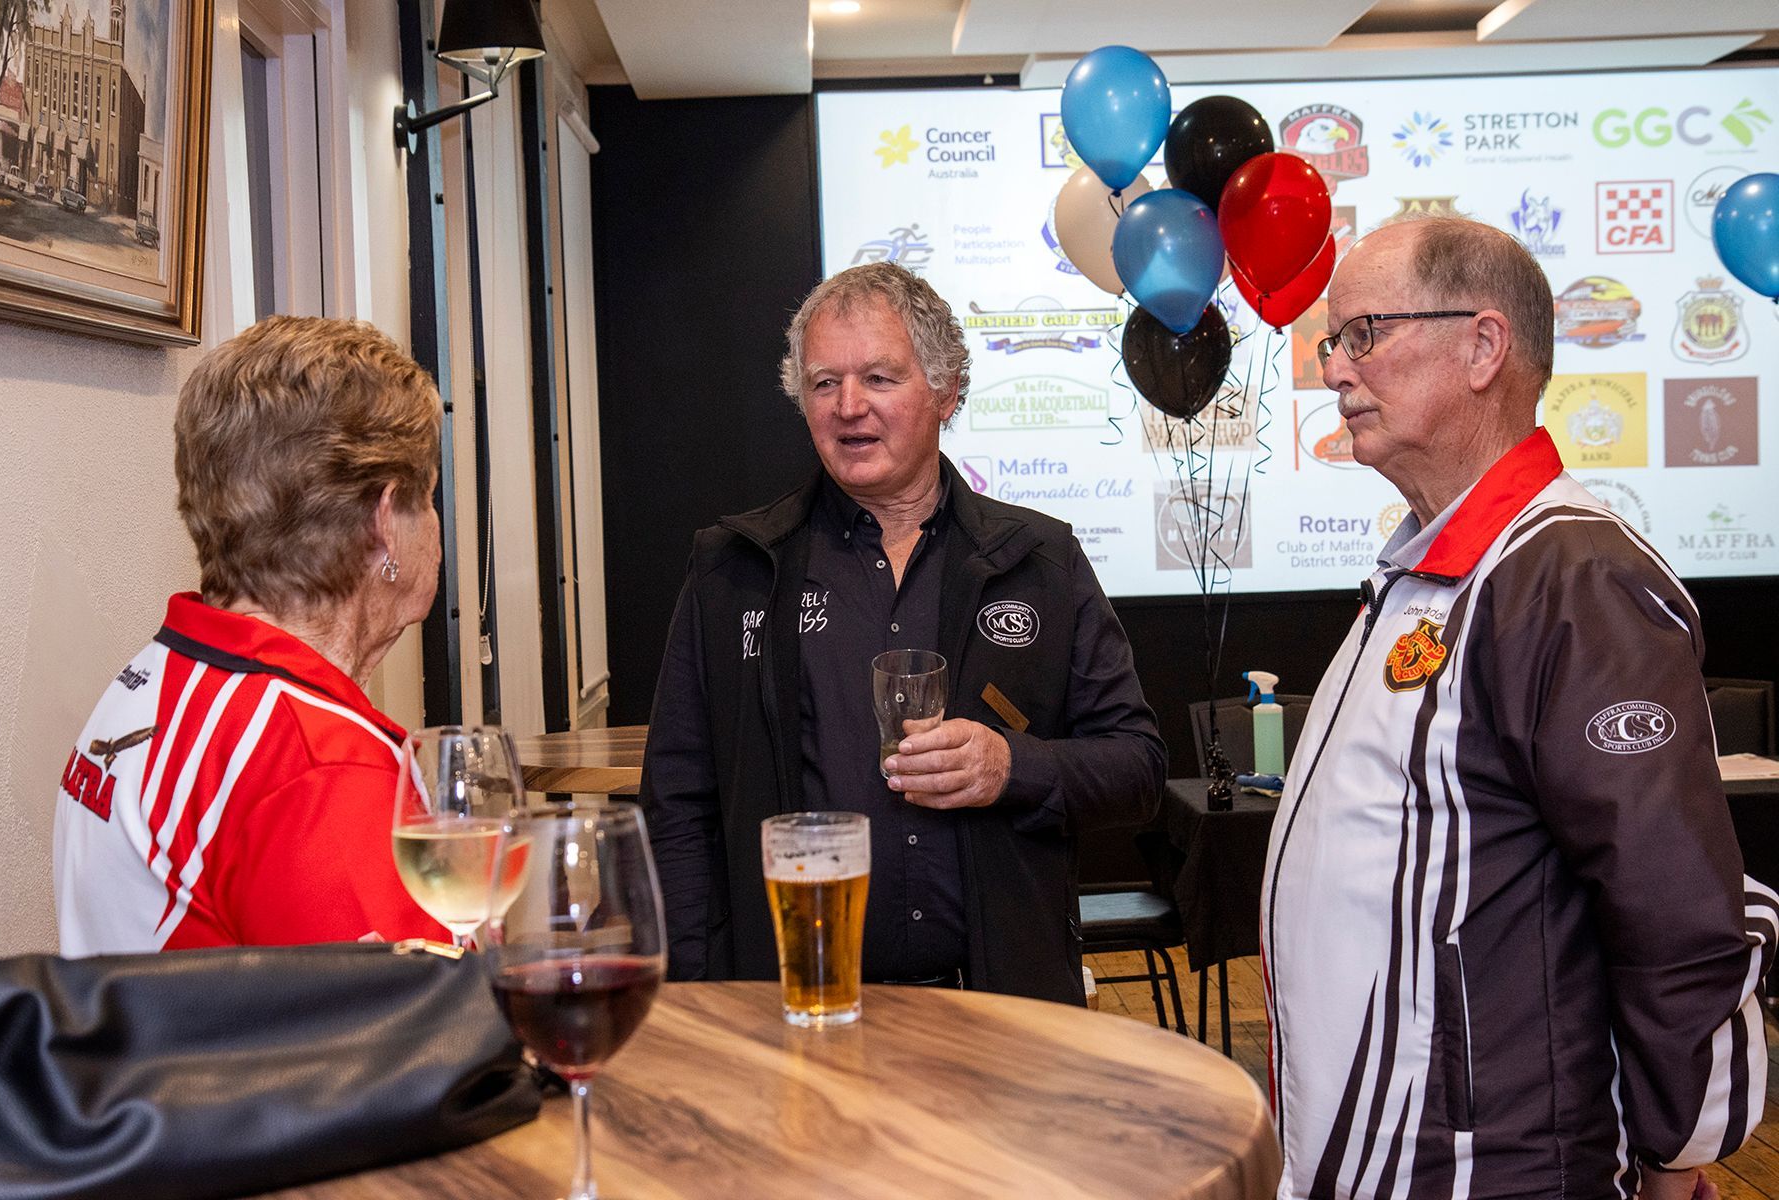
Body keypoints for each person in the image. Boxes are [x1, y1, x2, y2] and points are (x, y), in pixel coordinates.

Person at [1261, 215, 1774, 1199]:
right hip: (1393, 1157)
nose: (1332, 370)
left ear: (1484, 346)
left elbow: (1677, 914)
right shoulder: (1429, 570)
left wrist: (1675, 1157)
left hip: (1493, 1170)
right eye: (1332, 341)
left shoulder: (1574, 579)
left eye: (1363, 333)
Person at [639, 261, 1165, 1003]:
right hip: (798, 1011)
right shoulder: (735, 572)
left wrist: (1010, 767)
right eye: (824, 383)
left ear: (947, 391)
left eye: (880, 378)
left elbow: (1137, 767)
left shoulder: (1040, 562)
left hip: (1002, 1015)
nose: (848, 406)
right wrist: (695, 996)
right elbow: (678, 806)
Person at [54, 316, 448, 954]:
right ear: (386, 524)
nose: (434, 523)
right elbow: (421, 1037)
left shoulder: (154, 678)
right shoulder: (317, 766)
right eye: (429, 497)